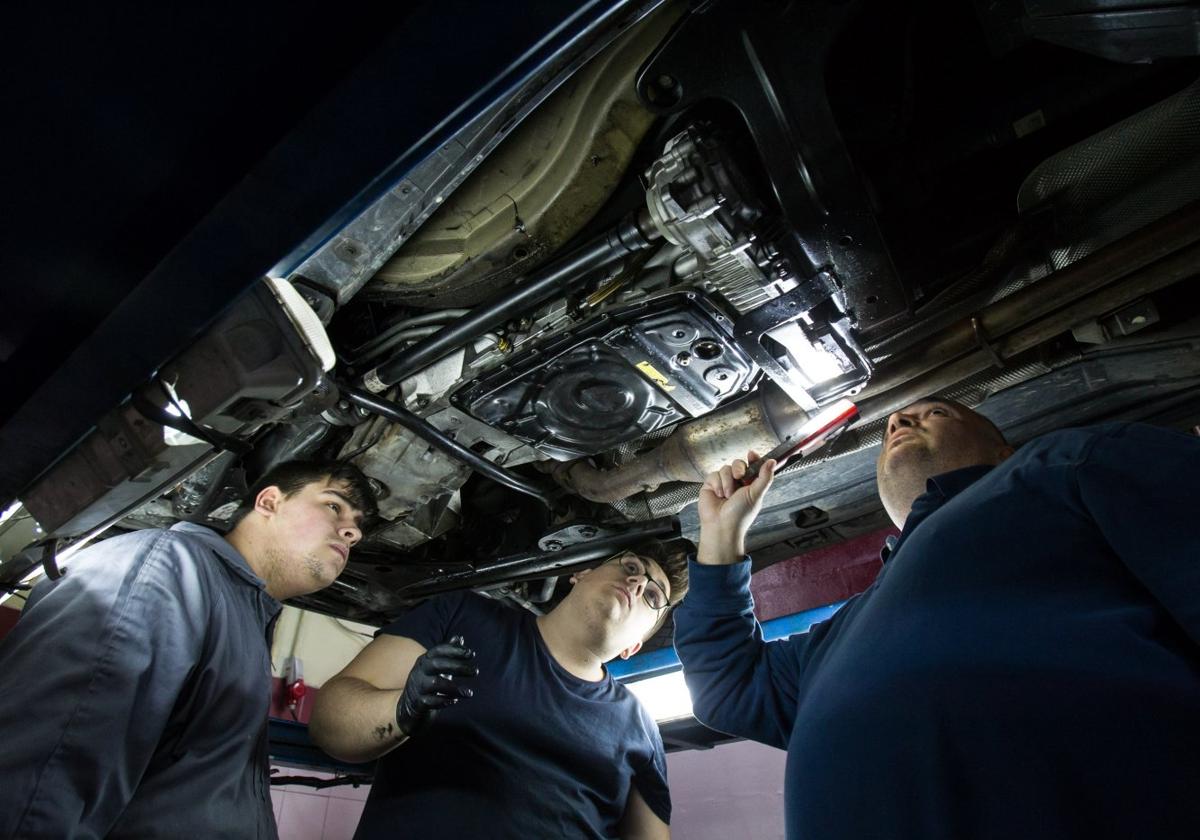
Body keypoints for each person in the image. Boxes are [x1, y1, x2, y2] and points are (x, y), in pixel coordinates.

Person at [674, 398, 1200, 839]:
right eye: (890, 427)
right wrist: (721, 536)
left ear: (1003, 450)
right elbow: (728, 686)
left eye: (935, 412)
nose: (899, 422)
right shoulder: (839, 634)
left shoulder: (1066, 464)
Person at [0, 459, 376, 839]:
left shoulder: (240, 612)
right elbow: (44, 775)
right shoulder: (164, 568)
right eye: (334, 506)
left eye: (357, 526)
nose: (352, 532)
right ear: (268, 502)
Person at [309, 542, 690, 839]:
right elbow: (330, 724)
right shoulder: (463, 617)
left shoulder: (640, 726)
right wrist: (401, 710)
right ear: (582, 572)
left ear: (634, 646)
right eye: (630, 567)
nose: (638, 583)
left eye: (653, 598)